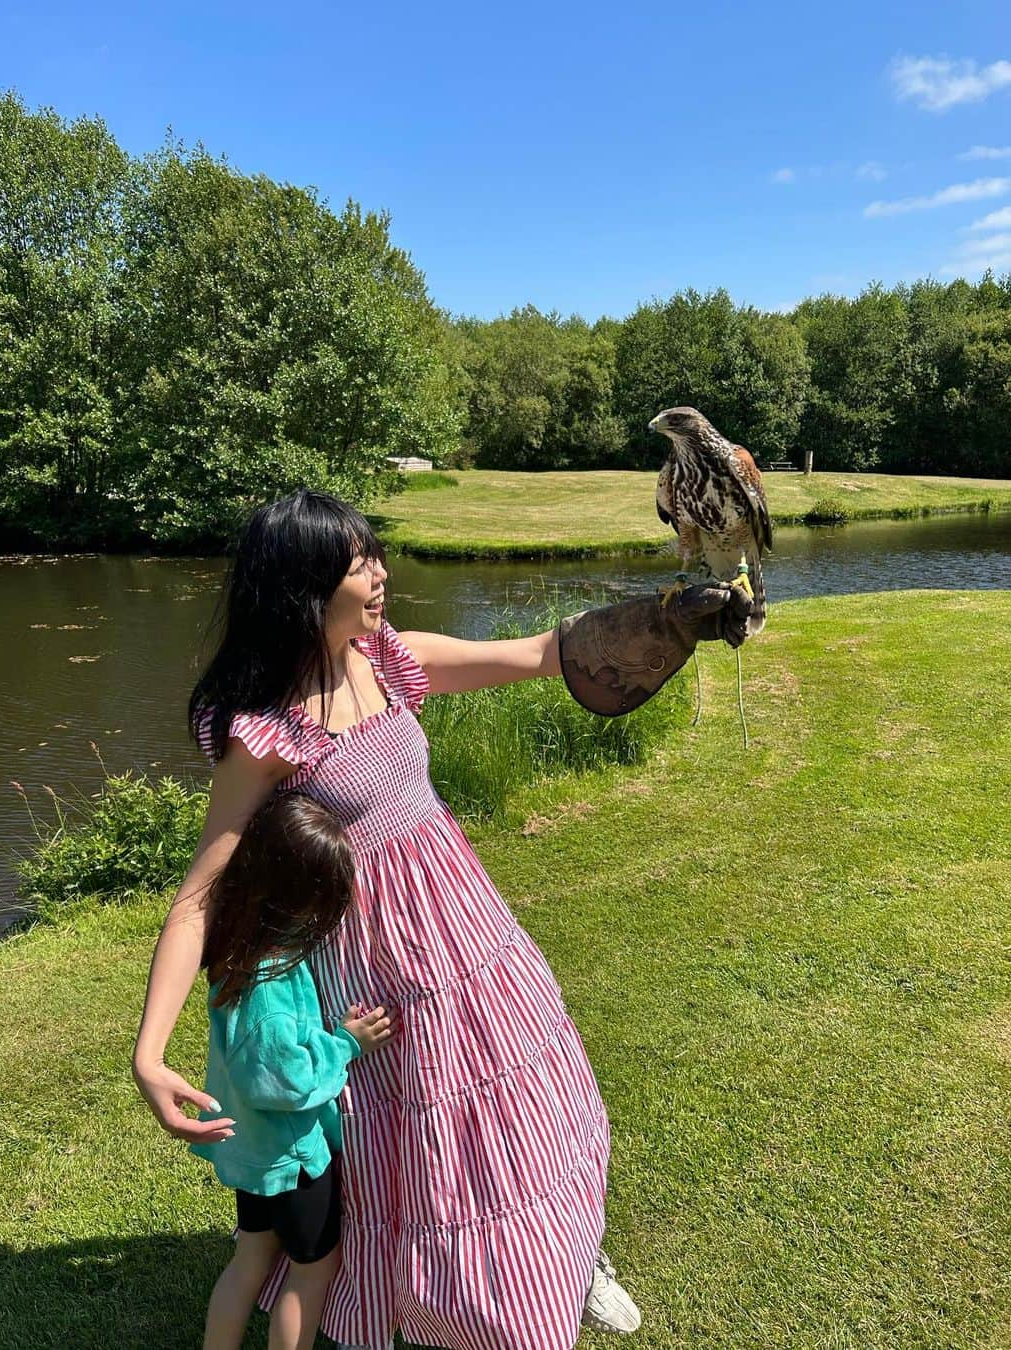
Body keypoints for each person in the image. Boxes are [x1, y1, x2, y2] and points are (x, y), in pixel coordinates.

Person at [133, 487, 750, 1350]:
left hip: (472, 927)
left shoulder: (389, 661)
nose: (382, 575)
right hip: (379, 958)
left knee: (540, 1091)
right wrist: (149, 1051)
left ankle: (565, 1260)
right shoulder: (265, 734)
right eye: (360, 564)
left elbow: (543, 651)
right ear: (305, 586)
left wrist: (669, 619)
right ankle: (460, 1296)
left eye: (377, 555)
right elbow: (204, 890)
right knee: (435, 1135)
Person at [190, 791, 396, 1350]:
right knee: (312, 1271)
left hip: (256, 1155)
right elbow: (283, 1081)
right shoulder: (272, 987)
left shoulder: (237, 951)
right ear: (296, 899)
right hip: (294, 1157)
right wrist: (346, 1045)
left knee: (251, 1256)